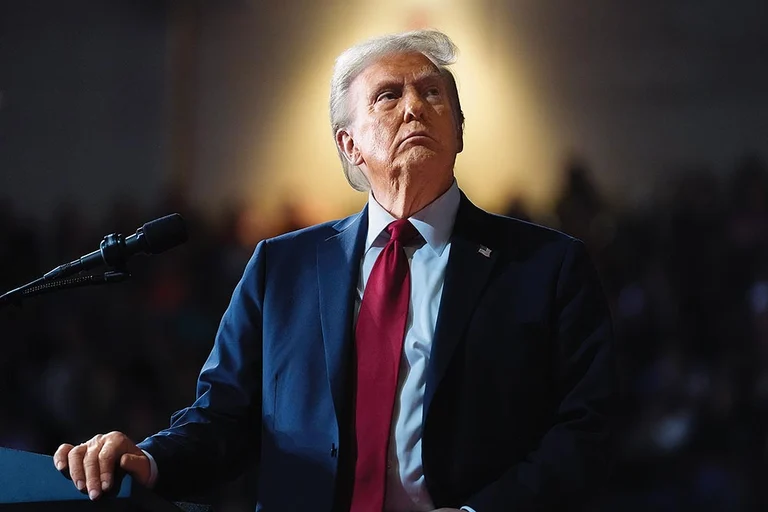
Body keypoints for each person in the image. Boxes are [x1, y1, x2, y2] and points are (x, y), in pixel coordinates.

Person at [54, 29, 616, 511]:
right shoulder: (284, 267)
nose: (414, 107)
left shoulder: (547, 267)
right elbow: (223, 415)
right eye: (388, 97)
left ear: (459, 131)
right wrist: (147, 458)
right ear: (349, 145)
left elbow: (587, 430)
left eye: (432, 94)